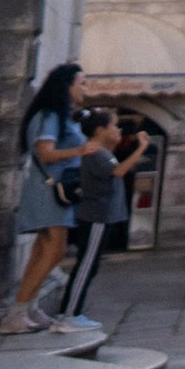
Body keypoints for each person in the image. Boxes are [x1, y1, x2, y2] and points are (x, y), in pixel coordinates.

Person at [3, 63, 101, 335]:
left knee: (41, 250)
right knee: (55, 249)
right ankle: (17, 313)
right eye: (81, 83)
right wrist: (84, 149)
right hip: (49, 189)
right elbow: (46, 153)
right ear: (66, 85)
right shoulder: (51, 116)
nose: (85, 89)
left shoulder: (60, 115)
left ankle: (26, 307)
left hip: (51, 188)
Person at [56, 110, 147, 330]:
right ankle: (69, 315)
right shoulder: (95, 153)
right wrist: (142, 147)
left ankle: (71, 312)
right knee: (86, 265)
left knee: (90, 265)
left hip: (100, 216)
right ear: (99, 130)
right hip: (96, 216)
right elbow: (118, 171)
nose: (118, 130)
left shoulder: (103, 152)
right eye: (114, 126)